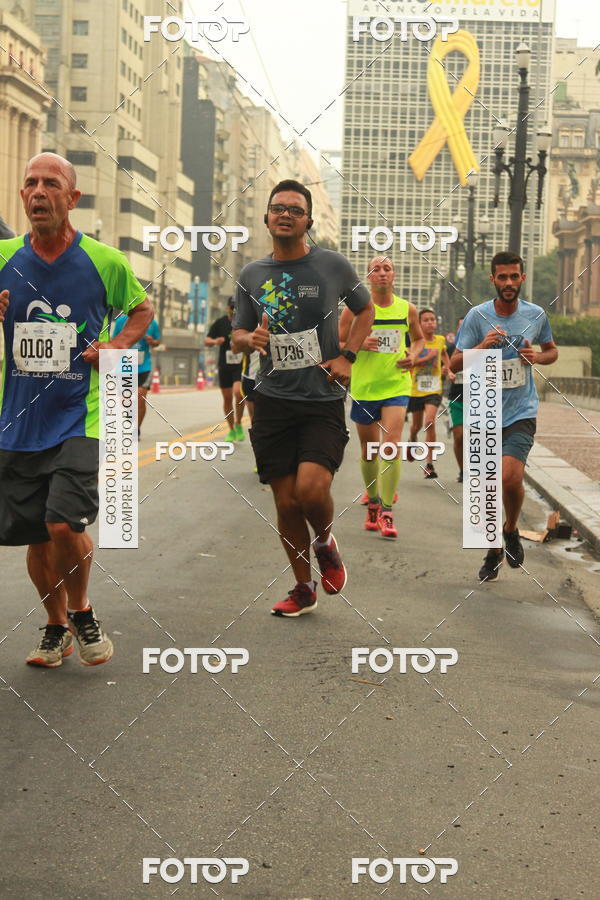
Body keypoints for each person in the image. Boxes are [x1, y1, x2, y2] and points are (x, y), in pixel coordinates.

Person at [0, 152, 153, 666]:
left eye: (50, 184)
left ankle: (82, 610)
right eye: (30, 184)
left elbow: (141, 310)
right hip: (18, 422)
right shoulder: (3, 259)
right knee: (37, 536)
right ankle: (54, 626)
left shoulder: (104, 261)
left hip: (79, 416)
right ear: (22, 197)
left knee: (64, 523)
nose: (38, 192)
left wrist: (116, 346)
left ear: (73, 198)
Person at [232, 179, 373, 617]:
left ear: (308, 220)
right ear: (267, 217)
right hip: (272, 400)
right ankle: (302, 587)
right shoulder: (252, 275)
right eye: (278, 208)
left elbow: (365, 309)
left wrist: (348, 355)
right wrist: (246, 338)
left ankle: (326, 541)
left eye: (295, 209)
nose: (286, 215)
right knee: (286, 502)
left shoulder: (331, 266)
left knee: (312, 491)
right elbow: (236, 334)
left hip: (320, 399)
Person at [451, 250, 558, 580]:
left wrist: (536, 358)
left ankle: (510, 529)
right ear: (493, 279)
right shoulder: (477, 316)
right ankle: (493, 549)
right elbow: (453, 365)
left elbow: (552, 351)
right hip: (484, 411)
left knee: (510, 478)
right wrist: (482, 347)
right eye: (503, 277)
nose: (509, 282)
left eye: (514, 276)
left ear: (522, 278)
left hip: (521, 411)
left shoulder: (536, 314)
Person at [339, 255, 424, 539]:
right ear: (369, 277)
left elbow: (420, 338)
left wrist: (413, 355)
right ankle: (372, 502)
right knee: (369, 450)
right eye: (376, 269)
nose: (382, 273)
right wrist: (359, 342)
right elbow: (336, 342)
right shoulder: (355, 310)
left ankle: (387, 511)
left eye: (387, 268)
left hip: (397, 386)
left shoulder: (407, 309)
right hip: (364, 387)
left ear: (394, 275)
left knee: (391, 444)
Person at [407, 308, 454, 479]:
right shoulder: (415, 343)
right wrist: (427, 358)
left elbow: (444, 356)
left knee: (429, 422)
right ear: (419, 324)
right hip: (416, 389)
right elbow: (410, 363)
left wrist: (448, 370)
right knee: (416, 426)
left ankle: (429, 464)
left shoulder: (440, 340)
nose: (430, 323)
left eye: (432, 319)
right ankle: (412, 439)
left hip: (434, 389)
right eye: (426, 320)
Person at [113, 313, 160, 438]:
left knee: (140, 397)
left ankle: (136, 429)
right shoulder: (120, 322)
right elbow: (114, 342)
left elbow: (158, 341)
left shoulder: (151, 322)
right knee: (125, 399)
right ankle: (128, 421)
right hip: (125, 365)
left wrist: (152, 341)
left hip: (144, 366)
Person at [205, 297, 244, 442]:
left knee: (238, 394)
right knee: (227, 398)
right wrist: (215, 341)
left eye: (236, 307)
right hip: (224, 365)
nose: (234, 310)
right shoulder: (220, 323)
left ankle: (239, 423)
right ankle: (232, 429)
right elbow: (206, 340)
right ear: (227, 307)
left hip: (240, 365)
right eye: (232, 307)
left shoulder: (243, 323)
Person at [447, 318, 464, 482]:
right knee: (459, 436)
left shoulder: (483, 347)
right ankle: (462, 470)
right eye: (461, 326)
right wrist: (448, 373)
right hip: (456, 398)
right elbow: (443, 366)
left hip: (478, 399)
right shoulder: (452, 348)